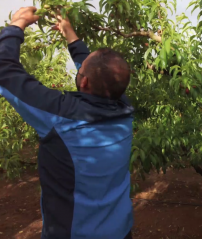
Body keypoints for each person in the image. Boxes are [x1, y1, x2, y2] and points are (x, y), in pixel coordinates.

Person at [0, 7, 134, 239]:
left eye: (80, 71)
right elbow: (97, 72)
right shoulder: (124, 107)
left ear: (83, 83)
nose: (79, 69)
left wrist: (16, 25)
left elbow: (4, 70)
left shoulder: (61, 115)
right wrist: (70, 34)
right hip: (121, 230)